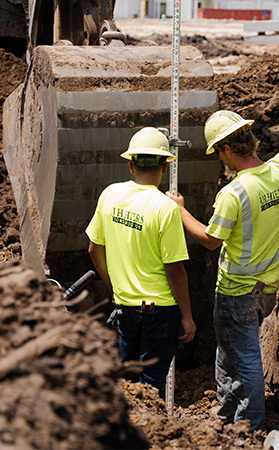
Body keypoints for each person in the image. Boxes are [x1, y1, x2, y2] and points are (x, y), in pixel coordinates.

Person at [166, 78, 279, 430]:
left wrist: (180, 210)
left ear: (227, 149)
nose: (220, 160)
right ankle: (227, 410)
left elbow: (211, 240)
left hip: (236, 291)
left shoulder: (234, 193)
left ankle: (249, 426)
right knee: (228, 349)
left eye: (218, 153)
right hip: (266, 288)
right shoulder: (278, 171)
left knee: (245, 360)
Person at [86, 127, 197, 398]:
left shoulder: (110, 194)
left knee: (128, 382)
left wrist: (114, 288)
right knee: (151, 387)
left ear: (131, 165)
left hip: (124, 307)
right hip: (159, 311)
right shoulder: (166, 208)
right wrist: (187, 316)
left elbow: (93, 249)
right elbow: (175, 270)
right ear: (165, 166)